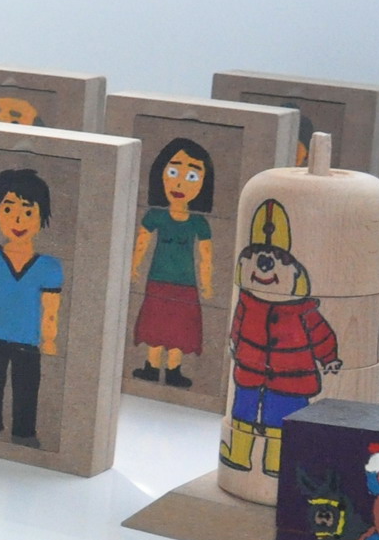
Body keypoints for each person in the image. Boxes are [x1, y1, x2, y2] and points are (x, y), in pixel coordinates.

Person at [219, 199, 342, 478]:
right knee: (243, 414)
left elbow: (322, 336)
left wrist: (329, 359)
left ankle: (276, 463)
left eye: (277, 263)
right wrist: (234, 342)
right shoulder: (247, 301)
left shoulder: (303, 311)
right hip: (249, 372)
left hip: (291, 380)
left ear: (297, 275)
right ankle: (239, 455)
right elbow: (237, 325)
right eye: (255, 259)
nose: (263, 269)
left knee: (282, 419)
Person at [0, 168, 63, 447]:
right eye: (8, 210)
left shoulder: (49, 267)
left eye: (28, 212)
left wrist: (49, 339)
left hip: (28, 340)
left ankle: (24, 432)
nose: (18, 220)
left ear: (41, 217)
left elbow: (51, 309)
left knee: (27, 387)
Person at [128, 137, 214, 387]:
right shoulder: (156, 215)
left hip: (186, 284)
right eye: (174, 172)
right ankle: (152, 367)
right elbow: (142, 241)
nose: (179, 183)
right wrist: (133, 266)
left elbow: (206, 256)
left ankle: (174, 370)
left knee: (180, 329)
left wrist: (206, 283)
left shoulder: (199, 222)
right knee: (155, 325)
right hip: (157, 280)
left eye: (192, 177)